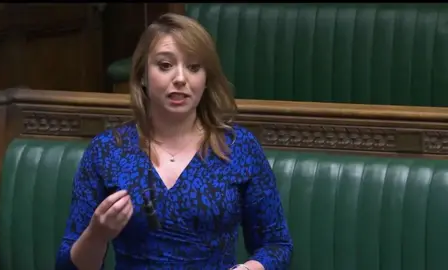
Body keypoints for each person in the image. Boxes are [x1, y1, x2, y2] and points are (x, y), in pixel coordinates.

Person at [56, 13, 293, 270]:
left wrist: (249, 269)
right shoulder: (107, 150)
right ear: (143, 76)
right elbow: (68, 266)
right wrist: (97, 234)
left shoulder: (239, 147)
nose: (180, 78)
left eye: (193, 67)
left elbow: (277, 245)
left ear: (205, 81)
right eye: (165, 65)